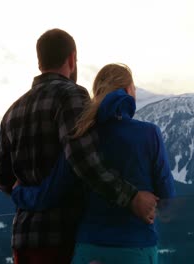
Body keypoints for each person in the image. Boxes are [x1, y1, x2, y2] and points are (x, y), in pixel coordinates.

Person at [0, 29, 159, 264]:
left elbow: (2, 179)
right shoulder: (71, 96)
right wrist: (132, 197)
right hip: (62, 238)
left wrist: (27, 193)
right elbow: (84, 161)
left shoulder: (12, 111)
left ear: (40, 62)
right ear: (72, 59)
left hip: (24, 241)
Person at [13, 63, 176, 264]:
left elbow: (50, 193)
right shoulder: (149, 133)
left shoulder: (81, 135)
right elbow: (167, 195)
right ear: (127, 91)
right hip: (136, 248)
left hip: (88, 250)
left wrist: (19, 192)